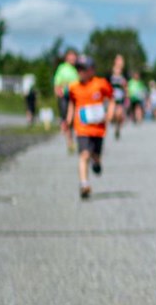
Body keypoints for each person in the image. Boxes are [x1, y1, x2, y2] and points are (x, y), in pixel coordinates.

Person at [62, 57, 113, 200]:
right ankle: (84, 184)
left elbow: (111, 98)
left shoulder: (100, 84)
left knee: (95, 156)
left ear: (91, 70)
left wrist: (109, 114)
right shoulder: (73, 87)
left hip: (98, 128)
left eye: (83, 69)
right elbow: (71, 104)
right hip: (82, 128)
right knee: (84, 155)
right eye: (78, 69)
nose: (80, 72)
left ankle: (96, 163)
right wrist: (68, 120)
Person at [52, 49, 80, 153]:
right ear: (67, 57)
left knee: (73, 119)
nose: (73, 58)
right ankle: (69, 142)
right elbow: (57, 82)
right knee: (66, 119)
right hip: (64, 96)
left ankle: (75, 139)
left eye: (74, 56)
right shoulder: (62, 68)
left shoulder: (77, 69)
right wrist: (57, 91)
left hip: (75, 96)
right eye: (71, 56)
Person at [108, 54, 130, 139]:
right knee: (111, 115)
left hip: (120, 97)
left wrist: (127, 96)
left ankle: (118, 128)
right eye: (119, 60)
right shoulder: (110, 73)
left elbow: (126, 87)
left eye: (121, 60)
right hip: (112, 97)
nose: (120, 62)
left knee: (119, 114)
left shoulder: (124, 74)